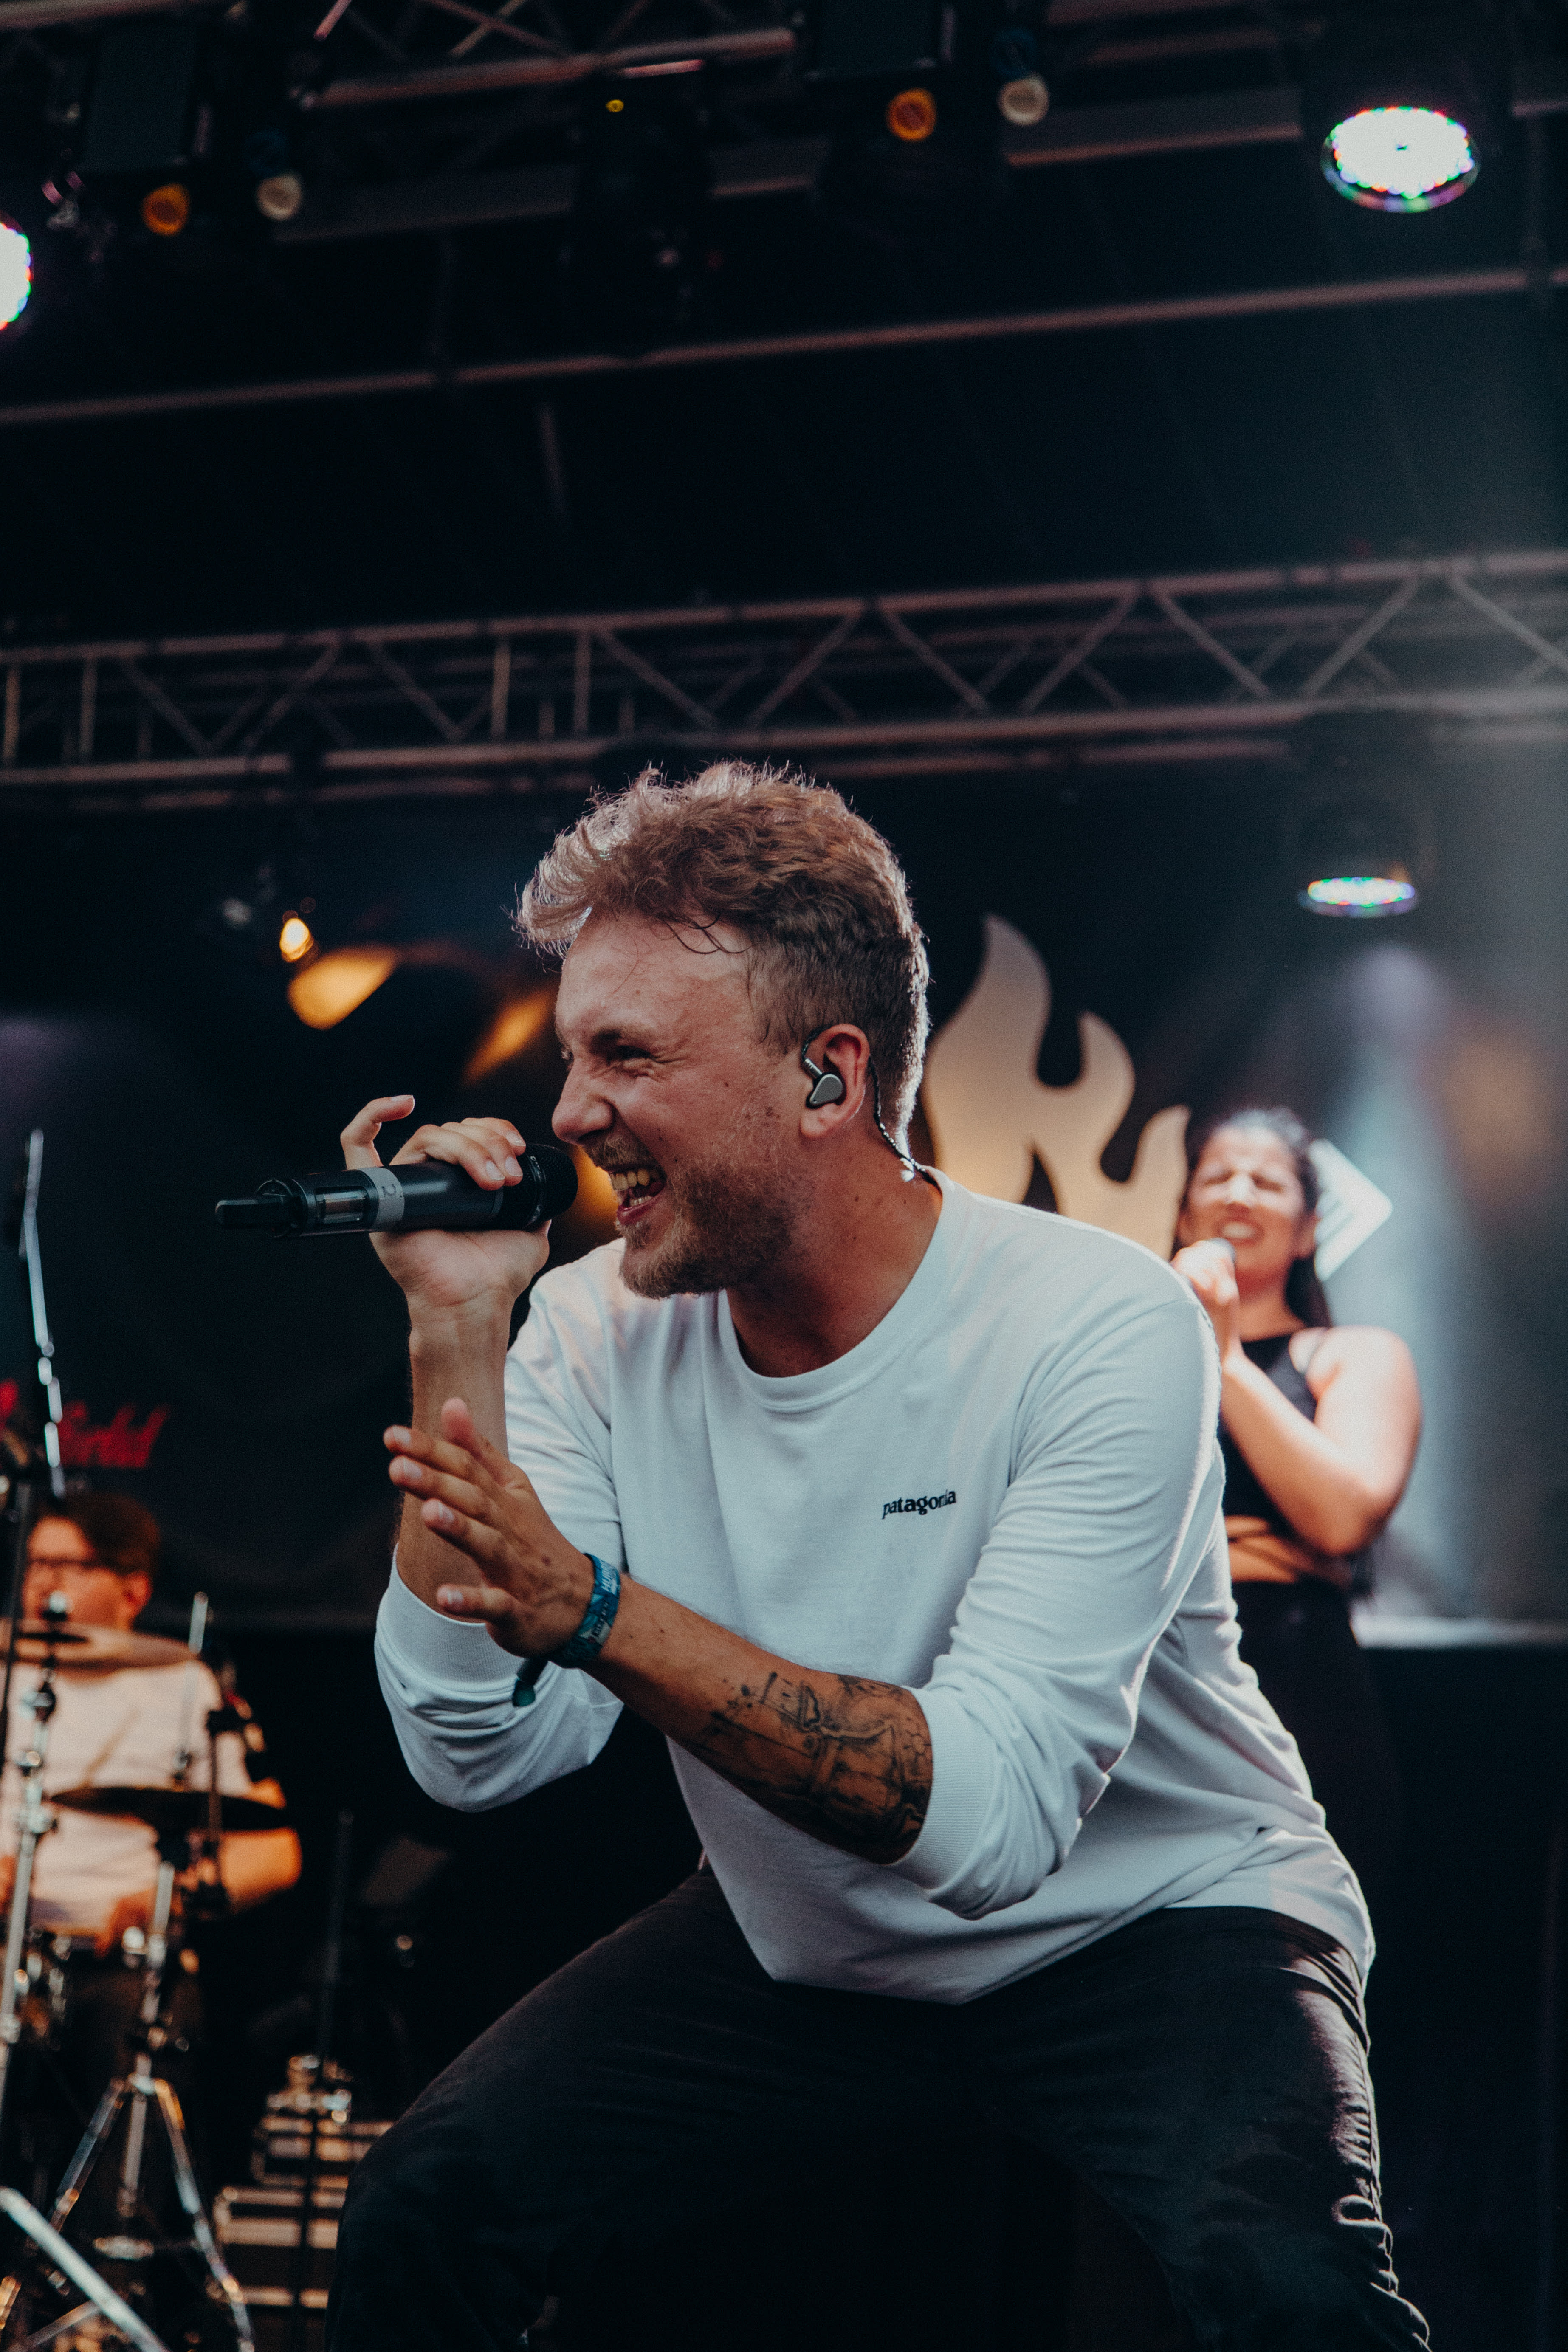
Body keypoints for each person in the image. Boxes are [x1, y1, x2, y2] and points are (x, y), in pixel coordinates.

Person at [329, 764, 1428, 2351]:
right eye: (572, 1054)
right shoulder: (581, 1325)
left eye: (626, 1054)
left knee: (1291, 2297)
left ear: (827, 1077)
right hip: (814, 1942)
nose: (567, 1112)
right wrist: (454, 1325)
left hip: (1158, 1921)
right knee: (429, 2205)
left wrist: (598, 1612)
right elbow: (473, 1748)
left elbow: (990, 1823)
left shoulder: (1095, 1320)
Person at [2, 1493, 300, 2216]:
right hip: (9, 1945)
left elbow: (274, 1852)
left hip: (119, 1962)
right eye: (34, 1562)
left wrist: (162, 1901)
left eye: (66, 1564)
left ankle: (109, 2262)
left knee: (137, 2034)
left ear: (132, 1589)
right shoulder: (9, 1671)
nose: (43, 1582)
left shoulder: (184, 1684)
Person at [1171, 1111, 1421, 1906]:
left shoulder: (1352, 1354)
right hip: (1155, 1680)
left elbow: (1341, 1518)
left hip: (1296, 1674)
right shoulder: (1134, 1356)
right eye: (1218, 1176)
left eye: (1267, 1181)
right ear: (1185, 1214)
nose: (1239, 1194)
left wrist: (1226, 1356)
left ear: (1309, 1228)